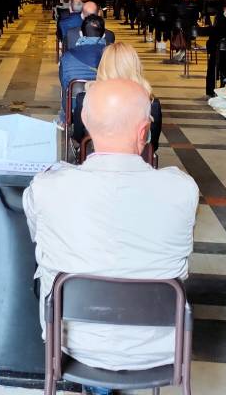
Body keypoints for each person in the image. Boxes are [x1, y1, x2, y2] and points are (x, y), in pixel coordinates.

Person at [24, 79, 199, 382]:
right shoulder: (182, 190)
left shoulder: (47, 188)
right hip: (161, 347)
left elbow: (36, 237)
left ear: (85, 125)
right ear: (145, 131)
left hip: (70, 343)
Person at [97, 42, 163, 156]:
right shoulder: (152, 105)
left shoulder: (86, 100)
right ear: (135, 67)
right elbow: (153, 145)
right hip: (136, 165)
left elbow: (79, 136)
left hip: (98, 165)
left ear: (103, 66)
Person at [58, 14, 108, 128]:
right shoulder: (114, 56)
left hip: (75, 109)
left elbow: (64, 84)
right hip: (106, 107)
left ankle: (63, 119)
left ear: (80, 33)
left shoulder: (67, 57)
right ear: (104, 35)